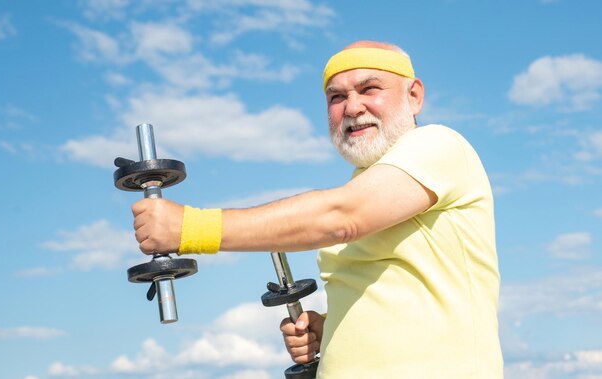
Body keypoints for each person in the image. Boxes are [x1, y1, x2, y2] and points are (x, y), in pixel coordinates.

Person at [131, 40, 503, 378]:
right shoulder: (364, 185)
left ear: (415, 96)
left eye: (369, 88)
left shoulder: (440, 145)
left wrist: (191, 228)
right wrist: (330, 329)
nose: (353, 107)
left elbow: (342, 218)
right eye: (336, 97)